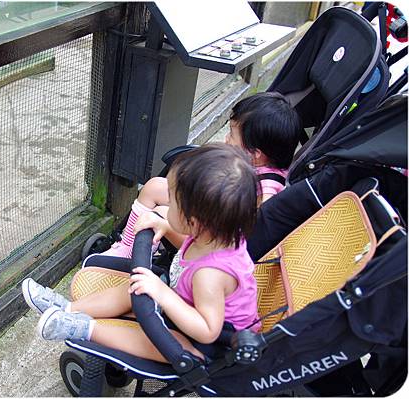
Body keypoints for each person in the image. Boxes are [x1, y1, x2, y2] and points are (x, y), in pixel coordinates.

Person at [22, 144, 260, 363]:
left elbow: (208, 331)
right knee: (136, 286)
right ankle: (68, 309)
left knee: (163, 340)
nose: (166, 205)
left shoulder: (210, 276)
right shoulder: (215, 235)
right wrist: (166, 226)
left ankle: (84, 328)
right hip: (188, 305)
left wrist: (164, 295)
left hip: (213, 345)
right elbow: (192, 240)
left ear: (194, 222)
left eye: (173, 202)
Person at [103, 91, 302, 258]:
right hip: (209, 209)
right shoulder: (255, 166)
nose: (226, 139)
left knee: (163, 212)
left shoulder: (266, 192)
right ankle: (127, 246)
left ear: (255, 154)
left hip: (209, 244)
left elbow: (234, 239)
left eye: (231, 135)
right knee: (154, 186)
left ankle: (136, 251)